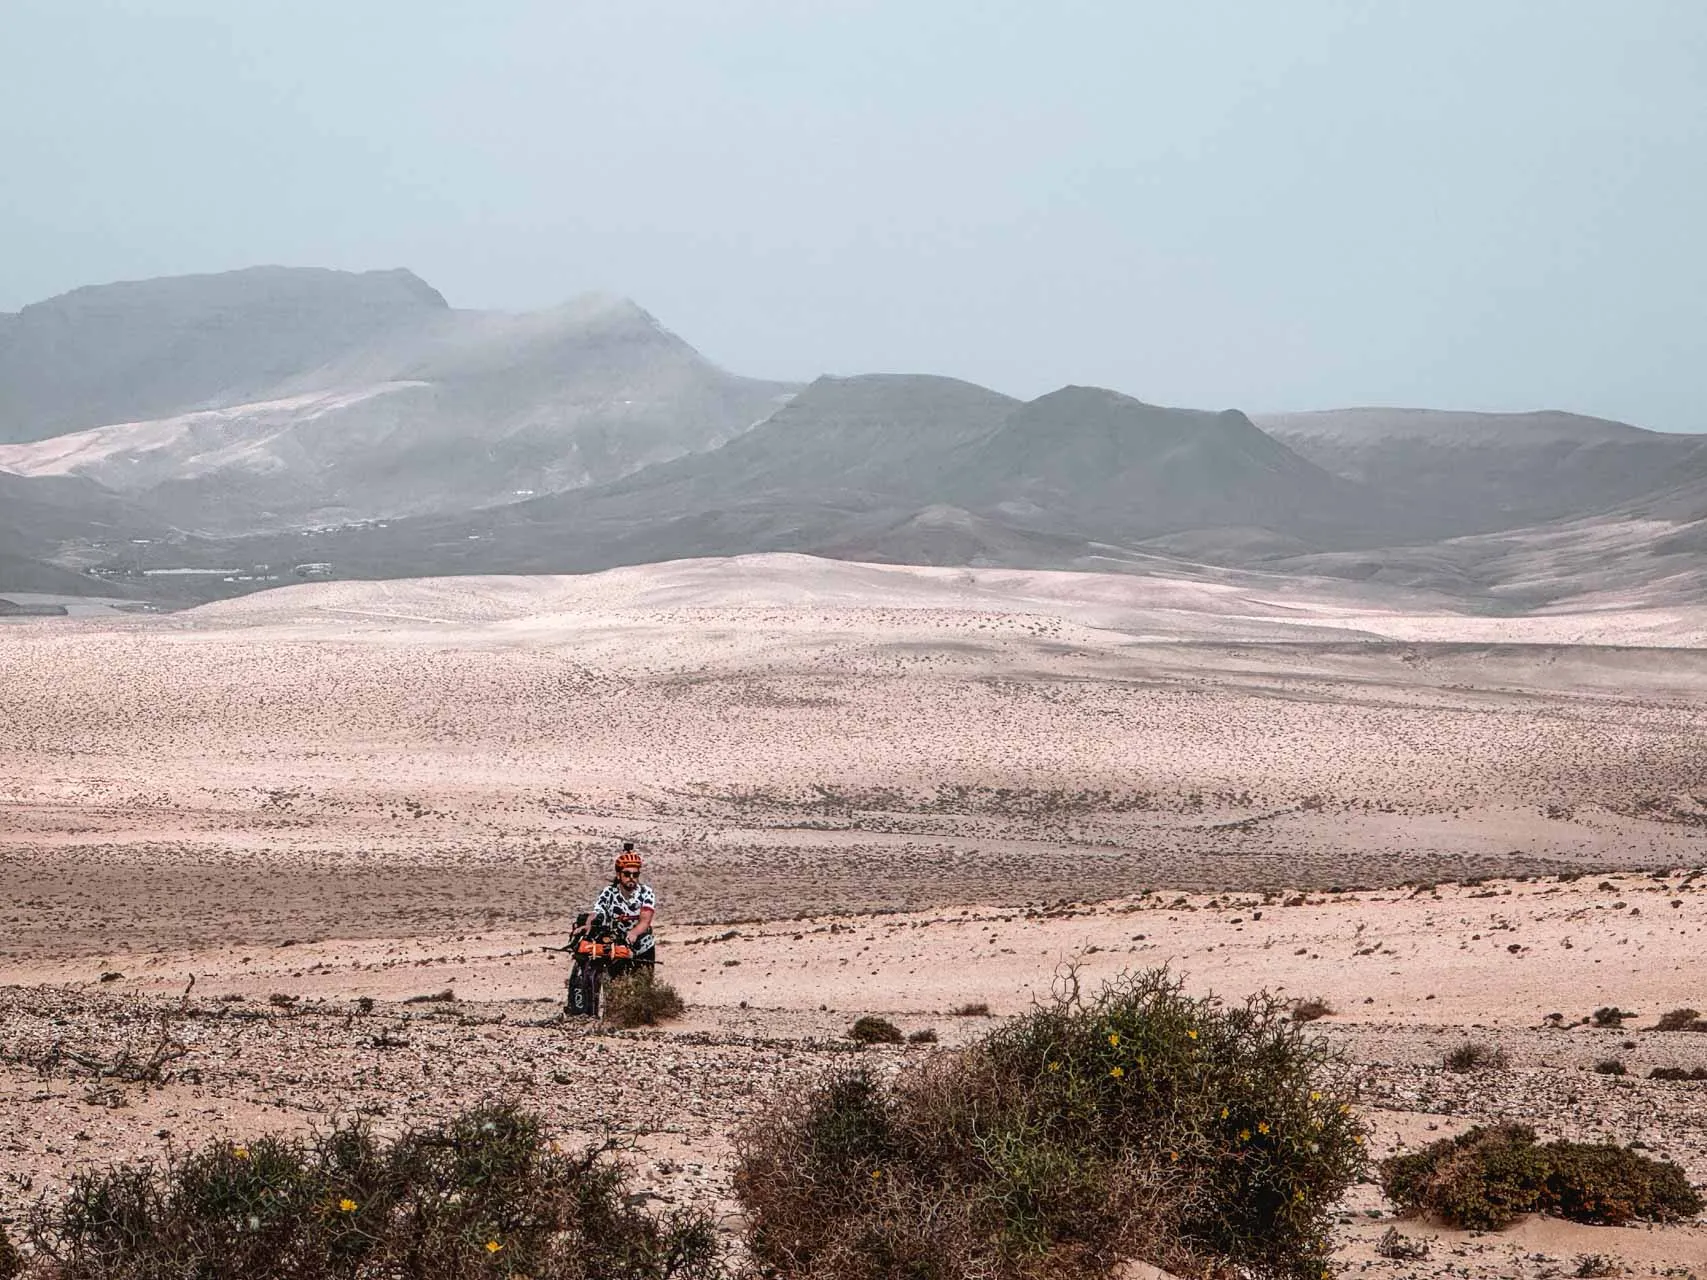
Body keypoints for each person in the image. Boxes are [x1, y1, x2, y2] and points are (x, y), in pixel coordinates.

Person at [572, 842, 657, 980]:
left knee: (643, 985)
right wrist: (588, 925)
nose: (631, 878)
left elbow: (645, 920)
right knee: (615, 983)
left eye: (635, 874)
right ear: (619, 874)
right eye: (627, 873)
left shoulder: (646, 893)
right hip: (616, 943)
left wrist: (634, 933)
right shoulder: (609, 893)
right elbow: (598, 912)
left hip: (642, 945)